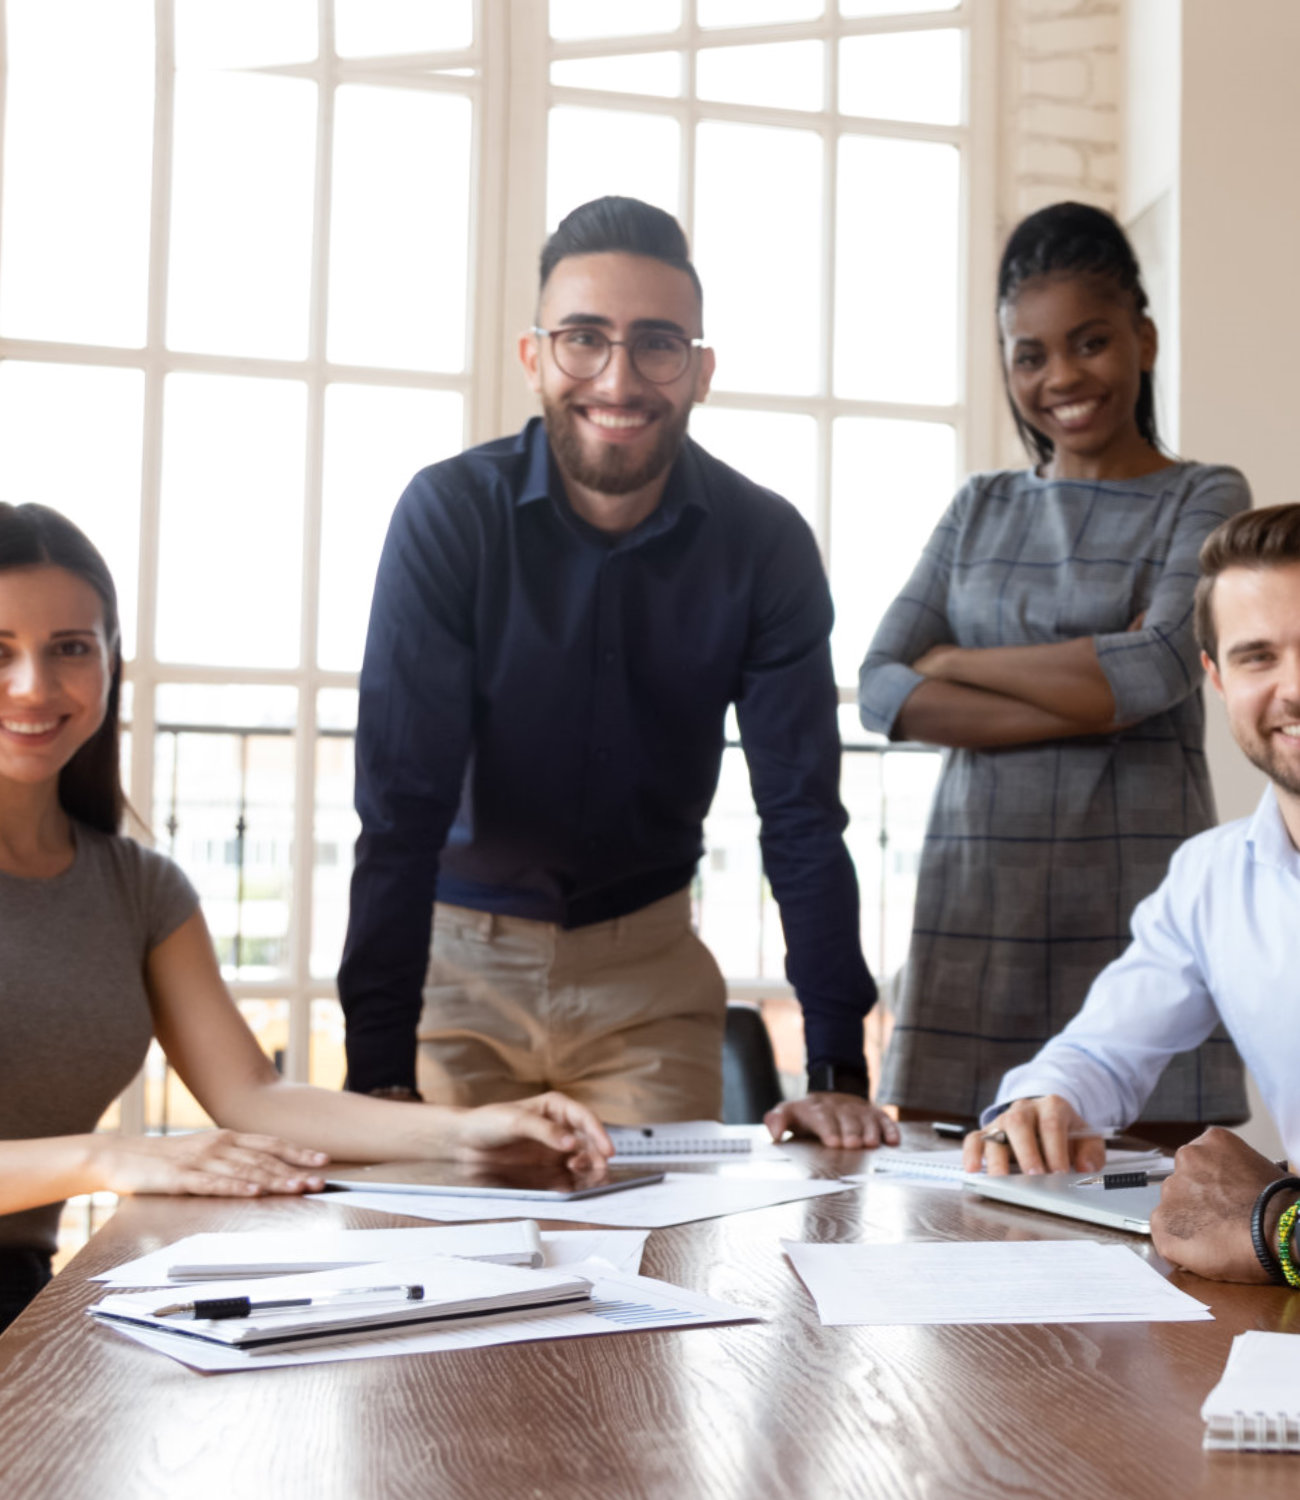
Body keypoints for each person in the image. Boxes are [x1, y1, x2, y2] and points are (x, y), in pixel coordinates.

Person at [339, 195, 896, 1150]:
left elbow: (801, 812)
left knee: (656, 1280)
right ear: (535, 358)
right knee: (441, 1266)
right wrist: (379, 1072)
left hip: (647, 983)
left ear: (701, 369)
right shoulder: (448, 516)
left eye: (657, 344)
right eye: (584, 339)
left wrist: (837, 1068)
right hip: (455, 975)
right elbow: (401, 811)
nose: (618, 377)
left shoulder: (766, 545)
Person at [0, 502, 614, 1332]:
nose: (34, 686)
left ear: (111, 660)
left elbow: (255, 1096)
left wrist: (468, 1131)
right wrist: (105, 1156)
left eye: (68, 648)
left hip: (19, 1291)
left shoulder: (139, 888)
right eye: (0, 652)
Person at [858, 200, 1249, 1139]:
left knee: (1157, 1240)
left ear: (1143, 340)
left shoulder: (1204, 493)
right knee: (947, 1230)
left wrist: (957, 663)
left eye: (1090, 342)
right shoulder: (978, 508)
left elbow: (1156, 668)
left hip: (1134, 920)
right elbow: (880, 686)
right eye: (1029, 355)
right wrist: (1093, 697)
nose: (1061, 377)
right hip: (972, 913)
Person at [964, 504, 1300, 1283]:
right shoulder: (1211, 876)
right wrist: (1049, 1101)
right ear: (1216, 679)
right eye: (1257, 657)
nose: (1292, 688)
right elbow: (1101, 1052)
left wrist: (1275, 1225)